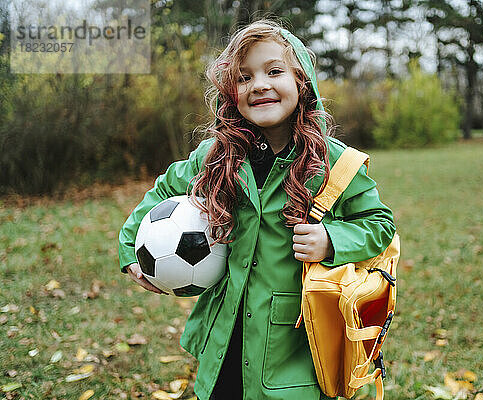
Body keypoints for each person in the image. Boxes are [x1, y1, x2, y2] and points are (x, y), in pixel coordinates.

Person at [118, 19, 396, 400]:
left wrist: (331, 239)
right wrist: (130, 247)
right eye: (244, 77)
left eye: (274, 71)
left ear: (302, 81)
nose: (259, 84)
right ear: (232, 93)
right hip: (226, 332)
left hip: (293, 346)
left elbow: (380, 224)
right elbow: (165, 187)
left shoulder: (335, 163)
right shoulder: (217, 155)